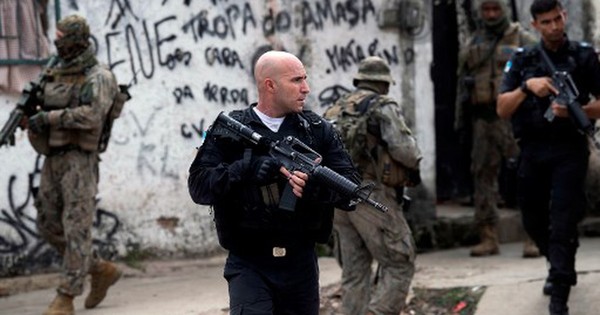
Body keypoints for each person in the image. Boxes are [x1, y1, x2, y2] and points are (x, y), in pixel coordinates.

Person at [187, 50, 360, 315]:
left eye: (305, 79)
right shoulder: (229, 130)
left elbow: (350, 190)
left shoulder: (316, 130)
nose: (306, 88)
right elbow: (199, 186)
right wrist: (245, 170)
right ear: (270, 85)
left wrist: (315, 188)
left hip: (300, 262)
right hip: (249, 262)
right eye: (296, 80)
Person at [497, 1, 600, 314]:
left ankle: (559, 296)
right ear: (535, 25)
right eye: (547, 22)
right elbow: (502, 108)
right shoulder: (523, 59)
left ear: (564, 16)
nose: (555, 26)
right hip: (531, 150)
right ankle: (556, 264)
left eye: (558, 19)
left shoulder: (584, 56)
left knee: (563, 222)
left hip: (569, 150)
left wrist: (575, 111)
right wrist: (528, 88)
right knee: (532, 219)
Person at [25, 15, 122, 315]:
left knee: (76, 227)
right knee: (48, 223)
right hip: (53, 157)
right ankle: (98, 268)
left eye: (62, 37)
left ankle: (66, 296)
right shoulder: (54, 70)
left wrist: (49, 118)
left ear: (77, 39)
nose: (56, 42)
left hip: (80, 159)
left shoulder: (99, 75)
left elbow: (92, 116)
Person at [324, 56, 420, 315]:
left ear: (359, 80)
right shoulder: (382, 105)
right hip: (370, 195)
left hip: (337, 195)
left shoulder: (335, 108)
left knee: (354, 272)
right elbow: (405, 151)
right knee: (399, 262)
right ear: (385, 84)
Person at [455, 0, 541, 257]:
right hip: (483, 119)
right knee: (482, 176)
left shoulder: (523, 39)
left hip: (515, 118)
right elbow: (462, 84)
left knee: (527, 174)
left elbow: (538, 77)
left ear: (504, 10)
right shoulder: (472, 44)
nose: (491, 15)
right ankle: (488, 237)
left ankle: (533, 236)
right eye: (486, 10)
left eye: (496, 9)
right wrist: (460, 120)